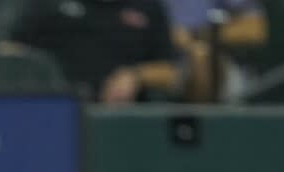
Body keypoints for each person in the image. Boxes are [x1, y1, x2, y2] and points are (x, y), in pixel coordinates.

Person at [10, 0, 181, 104]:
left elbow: (170, 72)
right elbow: (10, 50)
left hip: (119, 116)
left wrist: (135, 76)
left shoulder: (148, 6)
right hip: (56, 109)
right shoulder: (47, 4)